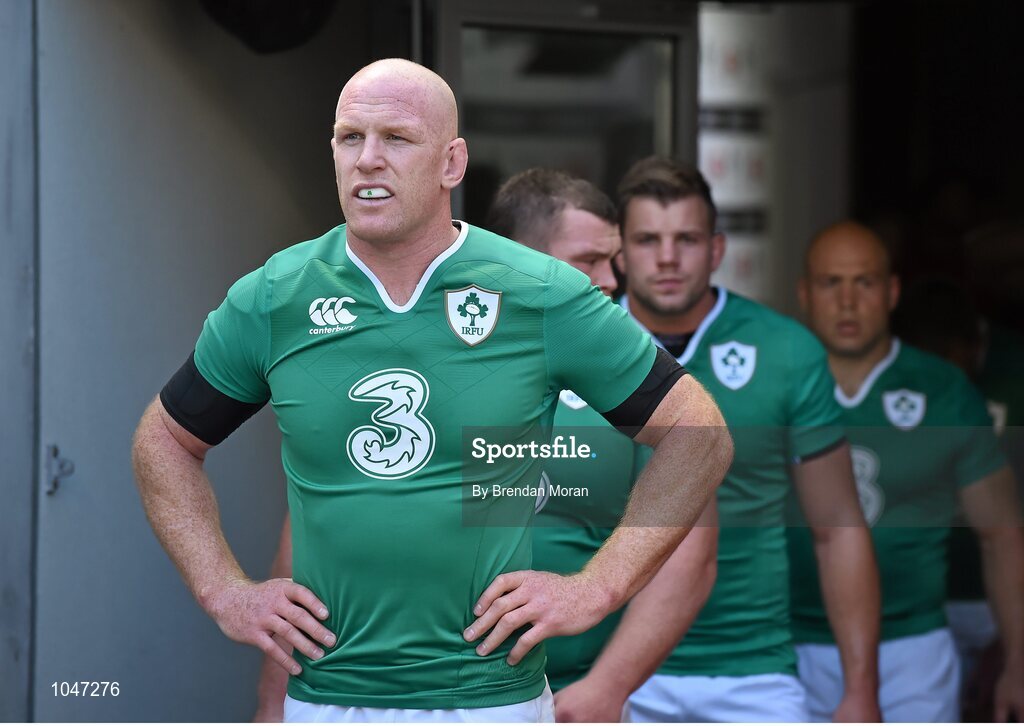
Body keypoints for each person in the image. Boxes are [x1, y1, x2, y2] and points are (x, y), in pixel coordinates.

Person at [131, 59, 732, 723]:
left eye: (396, 138)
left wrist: (597, 588)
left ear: (452, 163)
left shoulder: (539, 292)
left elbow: (698, 434)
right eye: (349, 137)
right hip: (326, 699)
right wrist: (224, 590)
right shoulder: (276, 296)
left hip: (489, 702)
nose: (368, 158)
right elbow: (165, 440)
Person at [613, 157, 881, 722]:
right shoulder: (580, 345)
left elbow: (838, 527)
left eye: (687, 239)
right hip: (612, 670)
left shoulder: (786, 351)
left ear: (716, 250)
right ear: (620, 252)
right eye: (648, 240)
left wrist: (861, 688)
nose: (667, 257)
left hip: (752, 670)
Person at [487, 168, 720, 722]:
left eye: (613, 260)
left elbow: (692, 551)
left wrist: (608, 686)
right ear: (521, 259)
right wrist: (282, 698)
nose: (612, 280)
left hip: (579, 696)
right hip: (435, 693)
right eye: (589, 260)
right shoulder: (438, 355)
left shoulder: (631, 372)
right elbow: (328, 512)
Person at [789, 220, 1024, 722]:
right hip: (790, 647)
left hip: (912, 650)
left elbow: (1001, 534)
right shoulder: (774, 387)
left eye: (865, 282)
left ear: (892, 292)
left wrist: (1019, 659)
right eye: (831, 283)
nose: (847, 302)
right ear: (804, 294)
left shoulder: (944, 391)